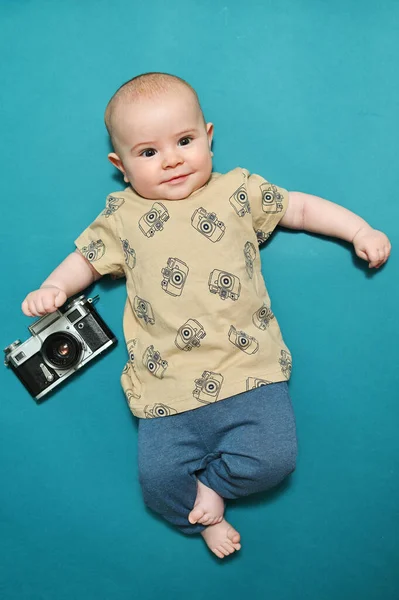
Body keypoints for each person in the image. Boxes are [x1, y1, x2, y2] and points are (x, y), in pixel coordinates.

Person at [21, 72, 391, 559]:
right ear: (122, 165)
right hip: (165, 391)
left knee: (276, 460)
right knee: (157, 483)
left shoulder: (235, 191)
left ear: (208, 137)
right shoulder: (122, 215)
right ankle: (199, 520)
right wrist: (54, 286)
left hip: (248, 374)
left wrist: (357, 229)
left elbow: (297, 208)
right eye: (148, 152)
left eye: (185, 141)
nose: (172, 159)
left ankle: (213, 489)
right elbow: (87, 260)